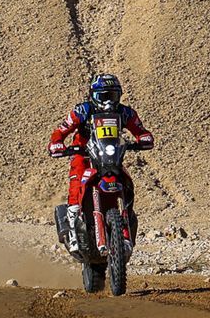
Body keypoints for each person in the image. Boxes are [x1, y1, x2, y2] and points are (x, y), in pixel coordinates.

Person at [48, 74, 154, 241]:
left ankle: (126, 220)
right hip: (84, 153)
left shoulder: (125, 113)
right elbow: (61, 130)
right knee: (77, 182)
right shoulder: (83, 110)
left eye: (112, 97)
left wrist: (144, 138)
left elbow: (141, 131)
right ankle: (73, 227)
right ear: (93, 96)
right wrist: (57, 143)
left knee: (126, 180)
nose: (108, 102)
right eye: (103, 97)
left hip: (109, 155)